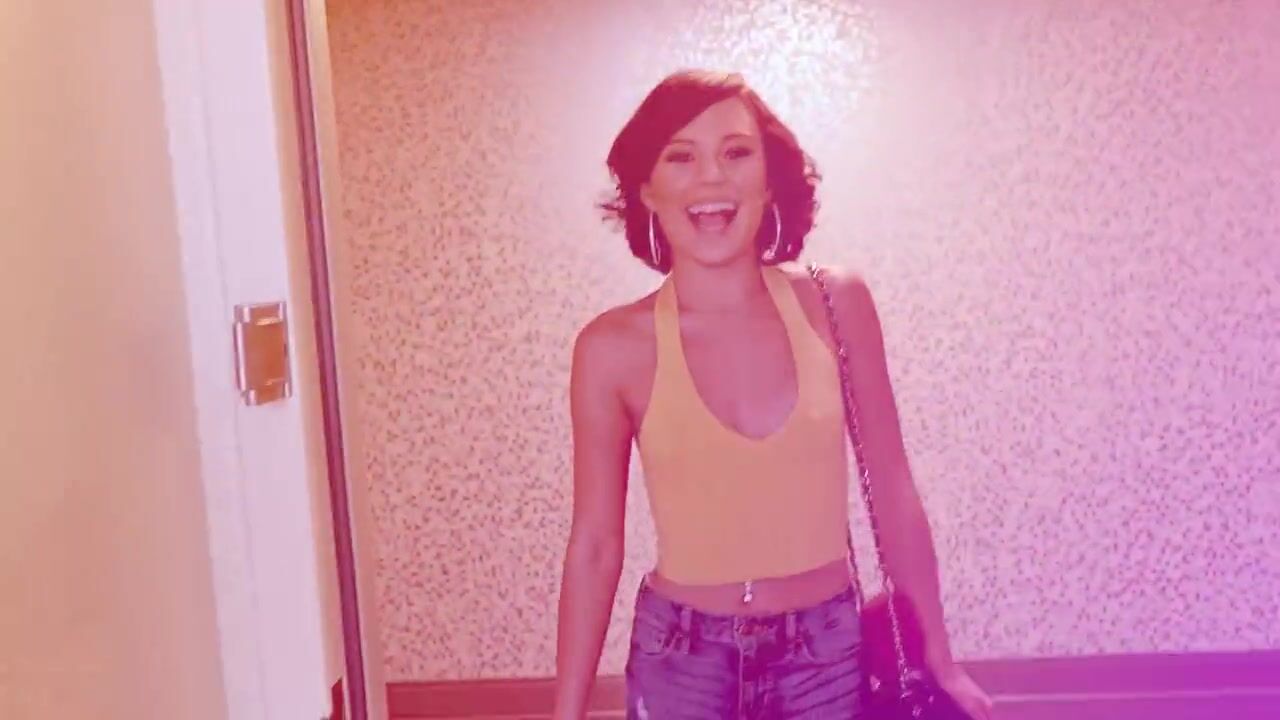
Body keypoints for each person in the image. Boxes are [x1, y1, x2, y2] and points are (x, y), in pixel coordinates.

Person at [552, 70, 992, 720]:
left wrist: (942, 662)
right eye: (681, 157)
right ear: (646, 188)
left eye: (736, 153)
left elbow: (894, 489)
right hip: (681, 662)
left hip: (825, 655)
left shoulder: (838, 303)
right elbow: (594, 544)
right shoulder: (610, 347)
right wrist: (566, 713)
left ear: (767, 178)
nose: (711, 178)